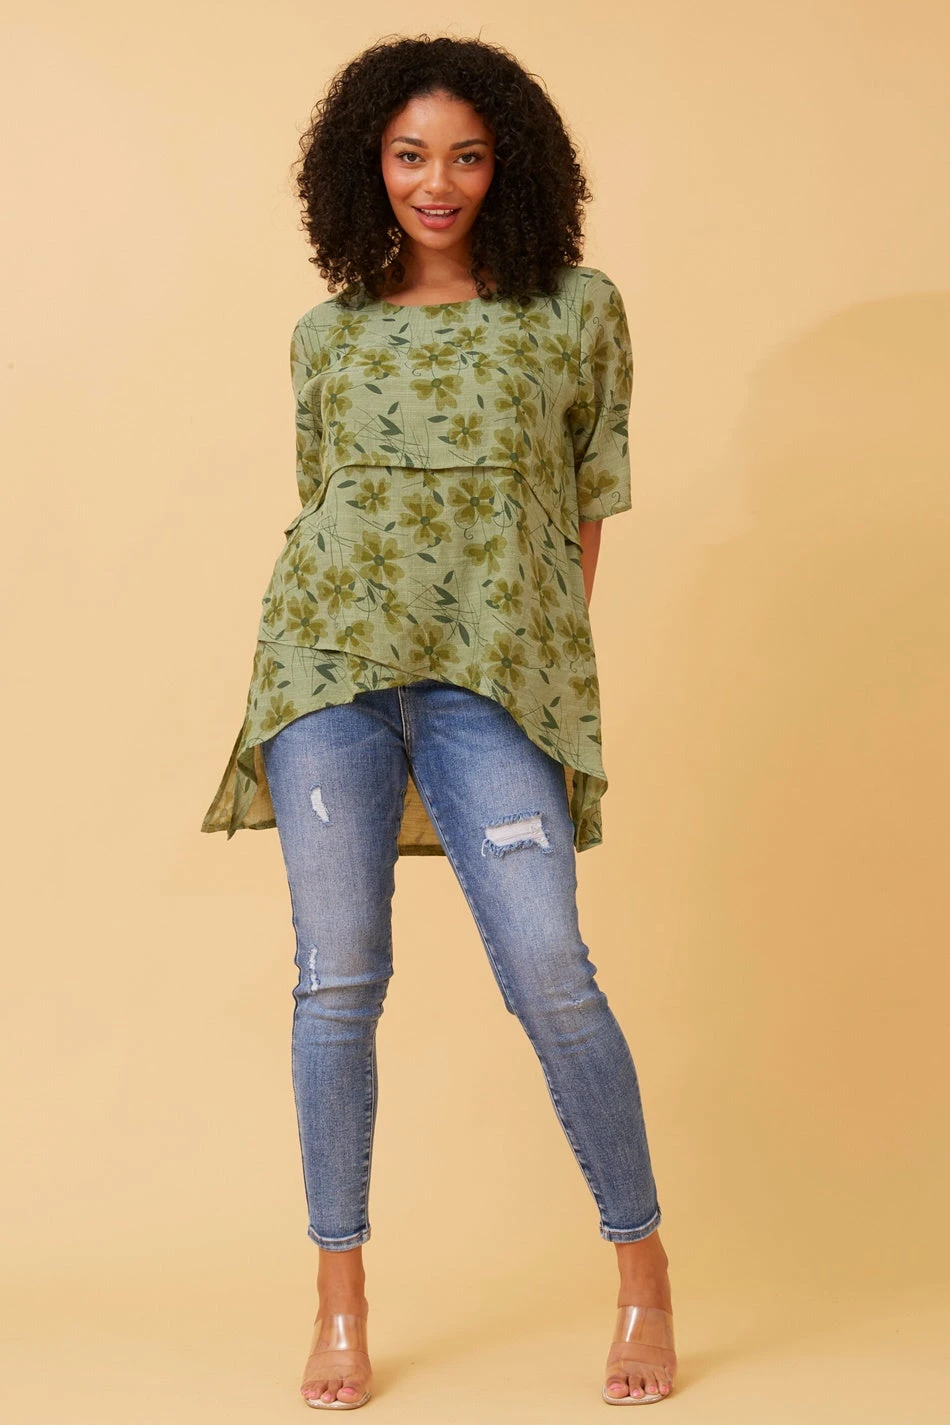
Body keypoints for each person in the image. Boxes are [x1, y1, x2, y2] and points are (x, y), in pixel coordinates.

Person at [201, 33, 676, 1411]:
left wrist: (548, 677)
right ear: (369, 166)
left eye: (466, 156)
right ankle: (338, 1300)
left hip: (495, 682)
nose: (437, 182)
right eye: (411, 155)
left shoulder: (574, 310)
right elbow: (326, 507)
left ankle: (643, 1268)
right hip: (326, 674)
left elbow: (583, 506)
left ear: (506, 166)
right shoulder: (328, 334)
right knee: (335, 982)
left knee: (549, 970)